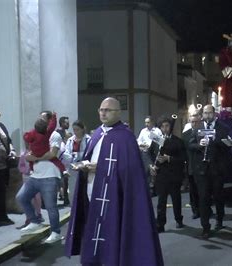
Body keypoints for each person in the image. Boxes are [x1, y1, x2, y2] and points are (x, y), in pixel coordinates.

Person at [65, 97, 163, 265]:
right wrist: (85, 166)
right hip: (92, 192)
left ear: (118, 112)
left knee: (112, 231)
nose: (103, 113)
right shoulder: (97, 133)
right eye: (101, 109)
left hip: (114, 196)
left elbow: (130, 172)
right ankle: (94, 260)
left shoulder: (126, 138)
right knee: (93, 228)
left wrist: (101, 168)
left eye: (107, 110)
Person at [16, 111, 64, 243]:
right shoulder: (36, 133)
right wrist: (29, 156)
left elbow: (52, 154)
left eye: (44, 118)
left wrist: (36, 157)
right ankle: (34, 220)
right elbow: (29, 151)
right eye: (40, 117)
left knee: (50, 206)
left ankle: (56, 232)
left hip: (50, 175)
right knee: (21, 197)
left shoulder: (53, 134)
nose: (41, 120)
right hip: (35, 175)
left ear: (49, 121)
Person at [188, 104, 229, 239]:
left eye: (209, 113)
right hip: (202, 170)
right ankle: (205, 226)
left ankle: (220, 220)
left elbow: (226, 146)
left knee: (218, 196)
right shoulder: (198, 128)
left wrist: (215, 139)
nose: (207, 116)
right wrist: (199, 145)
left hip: (217, 169)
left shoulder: (222, 128)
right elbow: (190, 144)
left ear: (214, 114)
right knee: (203, 198)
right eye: (205, 113)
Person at [154, 115, 186, 232]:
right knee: (161, 201)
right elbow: (152, 155)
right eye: (162, 126)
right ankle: (160, 224)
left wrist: (169, 159)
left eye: (167, 126)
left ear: (170, 127)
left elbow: (182, 159)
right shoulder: (157, 141)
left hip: (174, 175)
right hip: (161, 175)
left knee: (176, 199)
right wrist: (152, 166)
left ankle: (179, 219)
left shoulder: (178, 141)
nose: (165, 128)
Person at [0, 107, 17, 227]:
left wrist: (12, 151)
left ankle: (2, 216)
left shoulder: (2, 126)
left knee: (1, 192)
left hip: (2, 166)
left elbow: (8, 141)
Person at [63, 120, 91, 206]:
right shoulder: (70, 140)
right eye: (74, 130)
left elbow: (89, 154)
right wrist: (74, 158)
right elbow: (66, 154)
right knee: (72, 192)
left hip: (85, 169)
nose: (75, 132)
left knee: (85, 192)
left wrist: (78, 157)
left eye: (77, 129)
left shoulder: (88, 139)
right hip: (73, 169)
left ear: (83, 129)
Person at [182, 111, 202, 219]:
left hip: (202, 165)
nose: (194, 124)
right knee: (193, 190)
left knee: (203, 190)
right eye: (192, 122)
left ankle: (205, 209)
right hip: (190, 165)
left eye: (196, 122)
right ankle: (195, 210)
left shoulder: (204, 132)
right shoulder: (186, 135)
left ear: (200, 121)